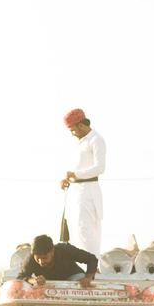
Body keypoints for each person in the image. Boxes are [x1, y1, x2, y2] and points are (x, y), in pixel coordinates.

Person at [60, 109, 106, 254]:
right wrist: (68, 179)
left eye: (72, 130)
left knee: (86, 230)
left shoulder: (96, 140)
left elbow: (100, 168)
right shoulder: (79, 143)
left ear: (80, 125)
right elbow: (75, 169)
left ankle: (91, 267)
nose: (72, 134)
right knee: (74, 230)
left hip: (88, 192)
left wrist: (76, 175)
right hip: (75, 192)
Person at [18, 234, 97, 287]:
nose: (41, 262)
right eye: (38, 258)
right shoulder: (30, 259)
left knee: (80, 279)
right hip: (49, 286)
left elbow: (92, 259)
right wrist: (33, 280)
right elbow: (20, 277)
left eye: (44, 258)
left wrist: (88, 278)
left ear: (52, 251)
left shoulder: (65, 249)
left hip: (73, 280)